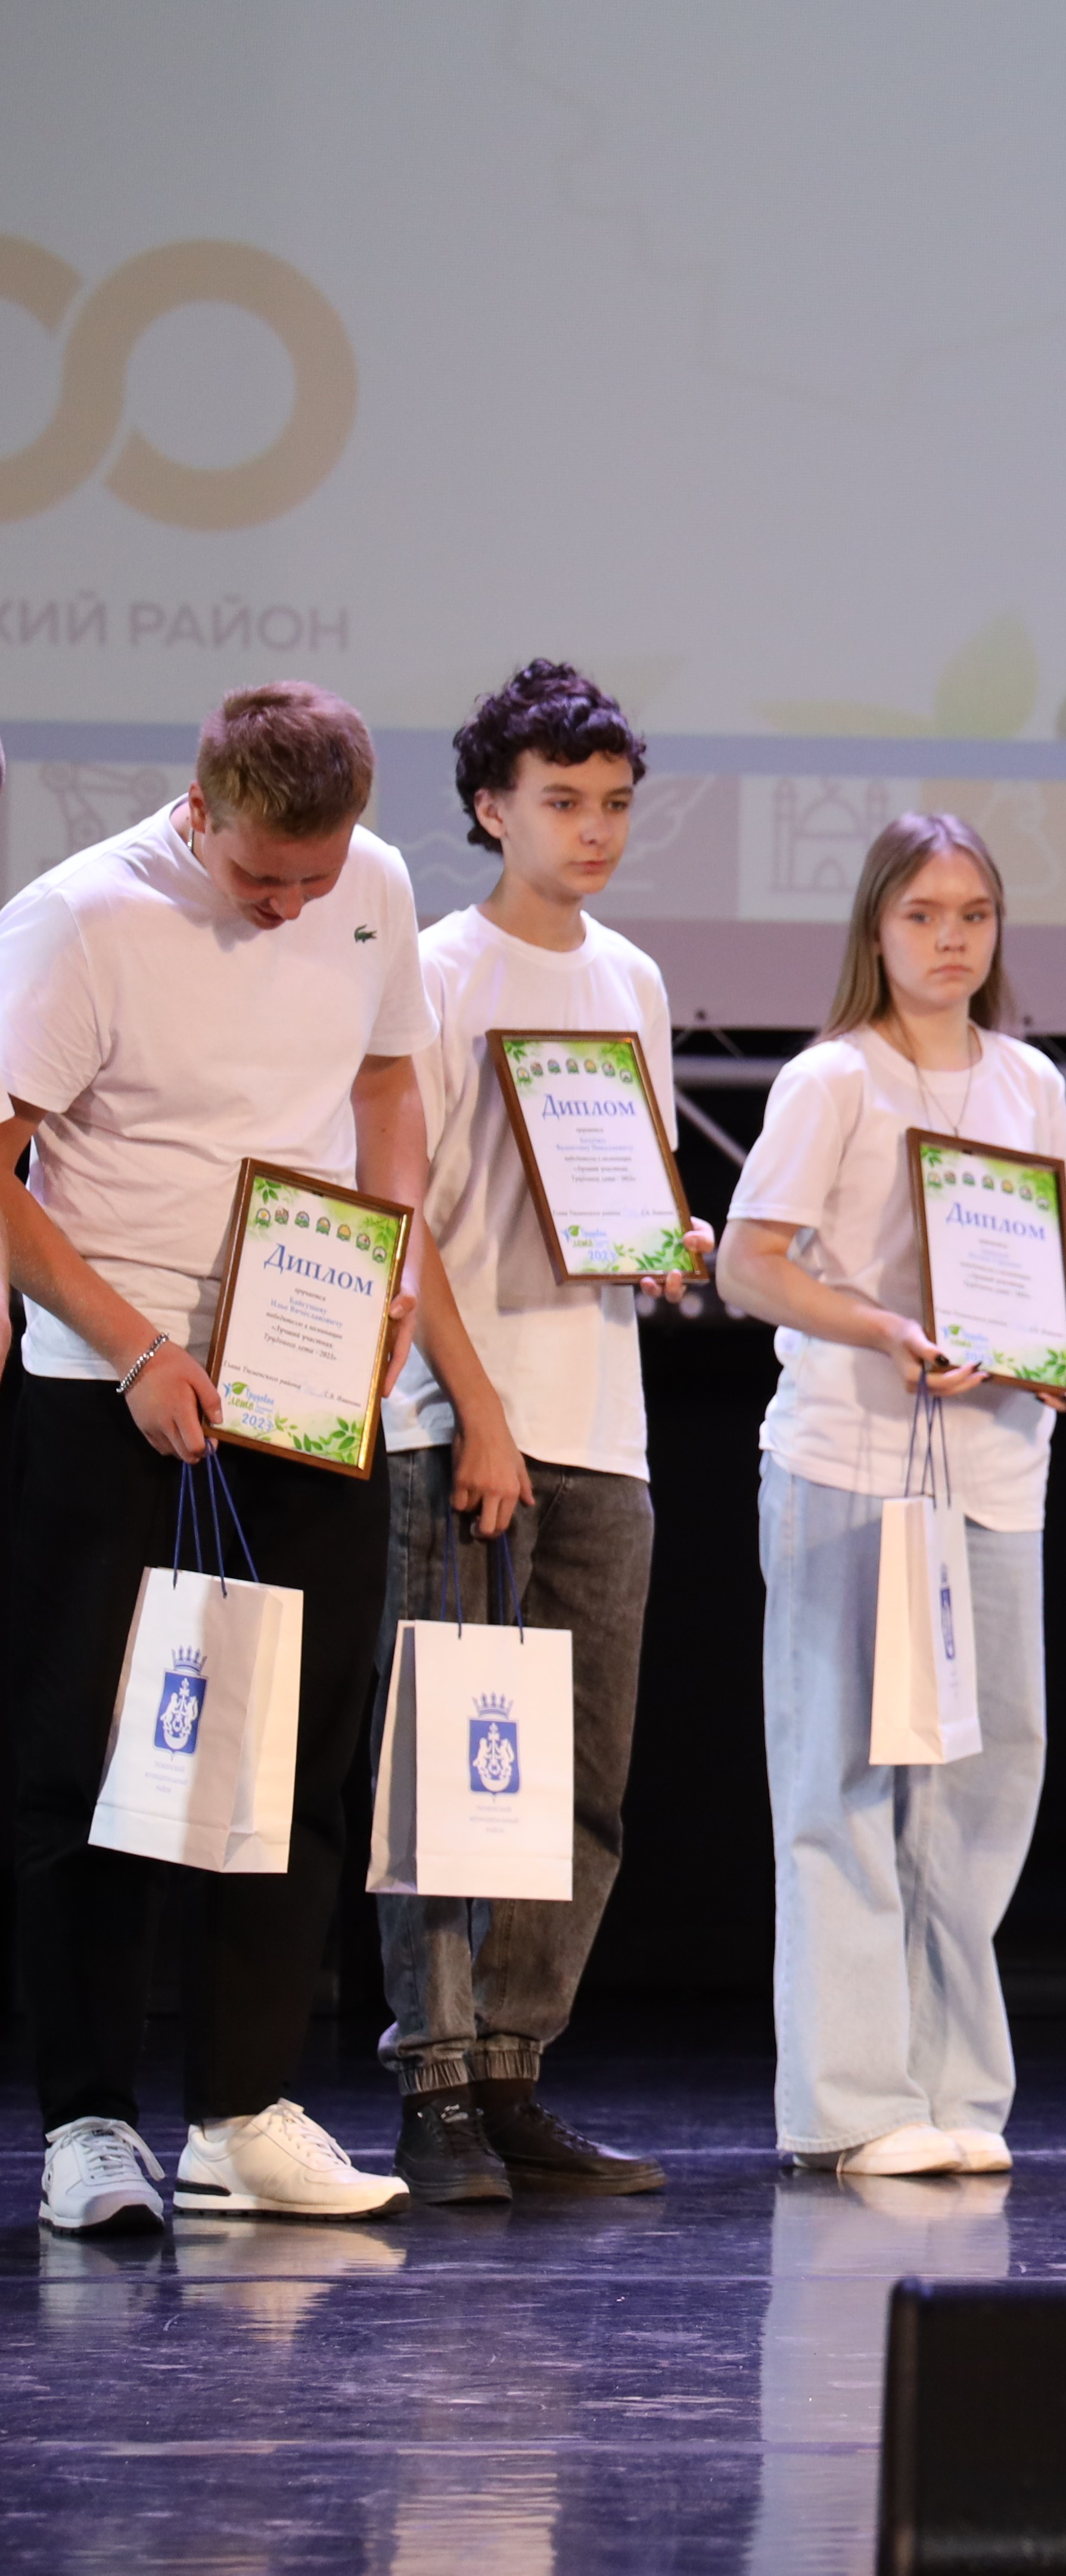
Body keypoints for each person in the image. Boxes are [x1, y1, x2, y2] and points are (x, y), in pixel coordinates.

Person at [2, 681, 434, 2230]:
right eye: (264, 874)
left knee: (293, 1750)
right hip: (110, 1385)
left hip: (300, 1375)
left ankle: (244, 2108)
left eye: (319, 876)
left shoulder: (372, 884)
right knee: (91, 1756)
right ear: (200, 811)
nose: (294, 902)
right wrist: (135, 1348)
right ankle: (90, 2121)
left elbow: (388, 1081)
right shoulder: (79, 919)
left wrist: (392, 1253)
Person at [369, 660, 709, 2204]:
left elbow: (623, 1190)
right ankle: (435, 2084)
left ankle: (514, 2073)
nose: (595, 829)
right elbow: (407, 1217)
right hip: (464, 1422)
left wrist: (669, 1240)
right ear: (490, 807)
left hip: (604, 1426)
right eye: (563, 801)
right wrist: (479, 1412)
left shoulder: (631, 980)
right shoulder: (437, 972)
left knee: (578, 1777)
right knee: (456, 1765)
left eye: (616, 803)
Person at [717, 812, 1066, 2178]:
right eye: (923, 915)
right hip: (852, 1469)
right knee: (846, 1777)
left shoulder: (1028, 1082)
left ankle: (954, 2093)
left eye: (973, 916)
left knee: (983, 1783)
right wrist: (879, 1325)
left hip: (995, 1472)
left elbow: (1041, 1278)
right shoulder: (834, 1079)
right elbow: (748, 1264)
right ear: (876, 929)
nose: (950, 941)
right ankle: (854, 2103)